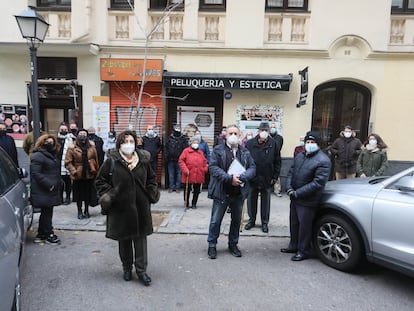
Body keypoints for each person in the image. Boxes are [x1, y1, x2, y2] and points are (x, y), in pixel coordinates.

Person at [95, 130, 160, 285]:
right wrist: (110, 195)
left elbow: (152, 179)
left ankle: (141, 271)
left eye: (131, 141)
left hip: (140, 207)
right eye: (125, 141)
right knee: (124, 242)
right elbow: (100, 181)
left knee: (140, 242)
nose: (128, 144)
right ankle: (126, 268)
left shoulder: (143, 161)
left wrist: (151, 192)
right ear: (119, 144)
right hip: (120, 208)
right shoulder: (111, 161)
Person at [207, 124, 256, 259]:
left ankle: (233, 244)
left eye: (236, 133)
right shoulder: (218, 150)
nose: (233, 136)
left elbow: (252, 168)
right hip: (222, 191)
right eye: (231, 133)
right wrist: (229, 179)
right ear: (226, 136)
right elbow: (213, 168)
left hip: (238, 193)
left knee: (236, 221)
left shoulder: (244, 152)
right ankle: (212, 245)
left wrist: (242, 177)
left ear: (240, 135)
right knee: (215, 221)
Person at [282, 132, 331, 261]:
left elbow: (318, 183)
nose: (309, 145)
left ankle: (303, 250)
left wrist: (298, 193)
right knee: (294, 223)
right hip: (295, 196)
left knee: (305, 226)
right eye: (307, 142)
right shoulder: (300, 156)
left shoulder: (323, 160)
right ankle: (293, 245)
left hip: (308, 199)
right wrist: (289, 188)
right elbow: (291, 173)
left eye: (312, 142)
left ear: (318, 145)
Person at [244, 122, 281, 233]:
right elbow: (244, 160)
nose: (264, 132)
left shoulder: (274, 144)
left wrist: (274, 177)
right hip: (253, 177)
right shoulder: (250, 143)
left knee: (266, 202)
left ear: (269, 132)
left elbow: (278, 162)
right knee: (251, 200)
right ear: (258, 131)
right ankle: (251, 220)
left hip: (267, 177)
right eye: (262, 130)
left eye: (266, 130)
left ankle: (264, 222)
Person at [30, 134, 62, 245]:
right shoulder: (38, 156)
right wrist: (49, 184)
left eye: (51, 142)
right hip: (44, 189)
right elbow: (36, 173)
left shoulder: (51, 155)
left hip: (49, 189)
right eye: (47, 142)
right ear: (42, 143)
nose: (50, 144)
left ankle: (42, 234)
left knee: (46, 212)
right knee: (47, 213)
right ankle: (48, 233)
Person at [65, 129, 99, 219]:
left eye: (84, 134)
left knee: (88, 194)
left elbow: (96, 160)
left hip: (89, 173)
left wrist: (95, 170)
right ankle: (79, 211)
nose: (82, 135)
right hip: (78, 174)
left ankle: (87, 211)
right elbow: (68, 162)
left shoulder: (92, 147)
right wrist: (73, 171)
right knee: (78, 195)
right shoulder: (72, 147)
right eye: (81, 134)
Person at [179, 136, 208, 209]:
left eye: (197, 142)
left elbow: (204, 162)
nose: (196, 144)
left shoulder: (200, 152)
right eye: (194, 142)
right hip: (188, 173)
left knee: (197, 190)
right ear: (191, 143)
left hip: (199, 173)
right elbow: (181, 161)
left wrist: (204, 169)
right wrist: (185, 170)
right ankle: (186, 203)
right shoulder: (186, 151)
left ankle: (194, 203)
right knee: (187, 190)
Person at [56, 123, 76, 205]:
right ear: (59, 130)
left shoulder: (71, 139)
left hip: (68, 163)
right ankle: (59, 198)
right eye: (62, 130)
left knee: (68, 182)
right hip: (58, 163)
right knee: (59, 183)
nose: (63, 131)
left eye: (65, 130)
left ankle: (68, 197)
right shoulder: (55, 139)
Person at [164, 124, 188, 193]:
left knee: (179, 174)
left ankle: (177, 187)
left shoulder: (183, 138)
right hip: (170, 159)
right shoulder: (169, 138)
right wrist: (166, 157)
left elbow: (185, 148)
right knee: (171, 174)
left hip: (180, 159)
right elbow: (166, 148)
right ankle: (171, 187)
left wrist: (184, 158)